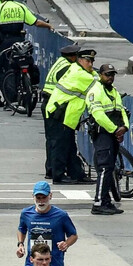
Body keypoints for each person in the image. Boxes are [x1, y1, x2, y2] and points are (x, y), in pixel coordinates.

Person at [0, 0, 55, 106]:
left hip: (4, 43)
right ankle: (24, 92)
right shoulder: (21, 7)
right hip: (20, 42)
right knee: (21, 66)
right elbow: (36, 22)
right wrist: (49, 26)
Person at [43, 46, 96, 183]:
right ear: (78, 60)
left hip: (66, 115)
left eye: (92, 62)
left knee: (69, 146)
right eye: (87, 61)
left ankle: (76, 173)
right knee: (60, 146)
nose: (90, 64)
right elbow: (98, 85)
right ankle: (58, 176)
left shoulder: (76, 68)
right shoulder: (79, 74)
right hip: (59, 113)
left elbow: (94, 76)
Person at [85, 63, 130, 215]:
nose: (110, 77)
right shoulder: (95, 91)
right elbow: (98, 115)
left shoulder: (114, 91)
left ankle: (106, 201)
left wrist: (125, 127)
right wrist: (115, 129)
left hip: (114, 134)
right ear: (100, 75)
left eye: (112, 75)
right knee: (104, 168)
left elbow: (121, 110)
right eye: (107, 74)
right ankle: (98, 203)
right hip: (103, 134)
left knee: (110, 168)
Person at [17, 181, 77, 266]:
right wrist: (20, 244)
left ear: (50, 196)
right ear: (33, 196)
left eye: (44, 198)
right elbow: (22, 229)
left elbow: (73, 235)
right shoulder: (26, 213)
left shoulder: (61, 215)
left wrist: (66, 244)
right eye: (38, 198)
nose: (41, 202)